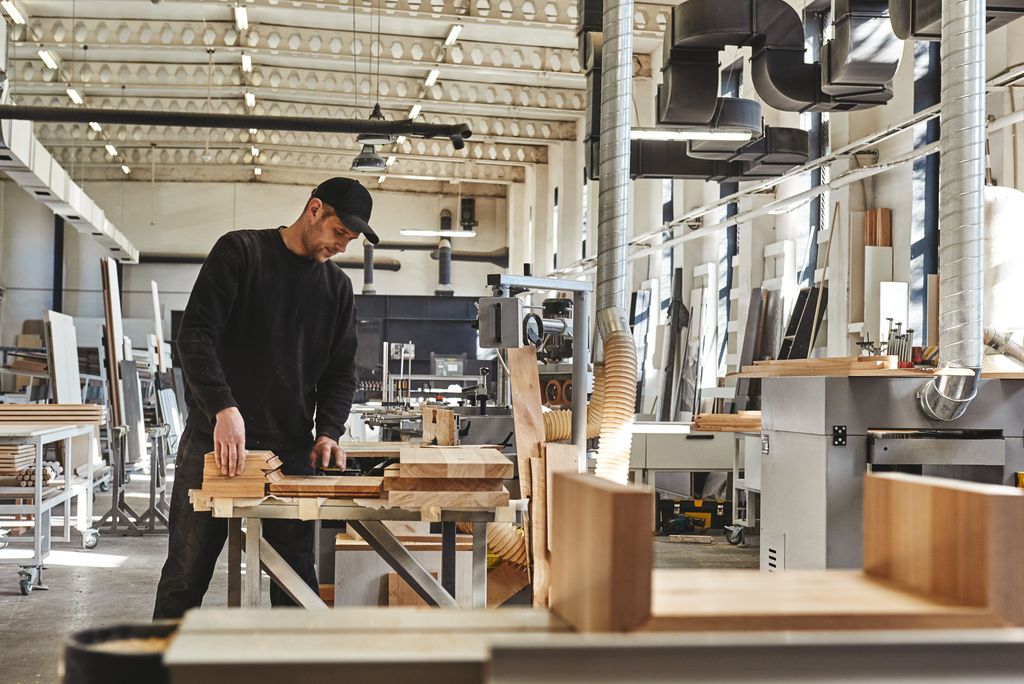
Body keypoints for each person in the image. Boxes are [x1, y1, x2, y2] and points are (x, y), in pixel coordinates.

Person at [153, 177, 378, 619]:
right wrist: (223, 407)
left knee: (296, 583)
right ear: (314, 210)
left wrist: (329, 431)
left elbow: (339, 373)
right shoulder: (240, 253)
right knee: (186, 575)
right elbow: (194, 337)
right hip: (214, 445)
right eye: (338, 234)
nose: (342, 247)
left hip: (288, 453)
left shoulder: (337, 290)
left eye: (349, 241)